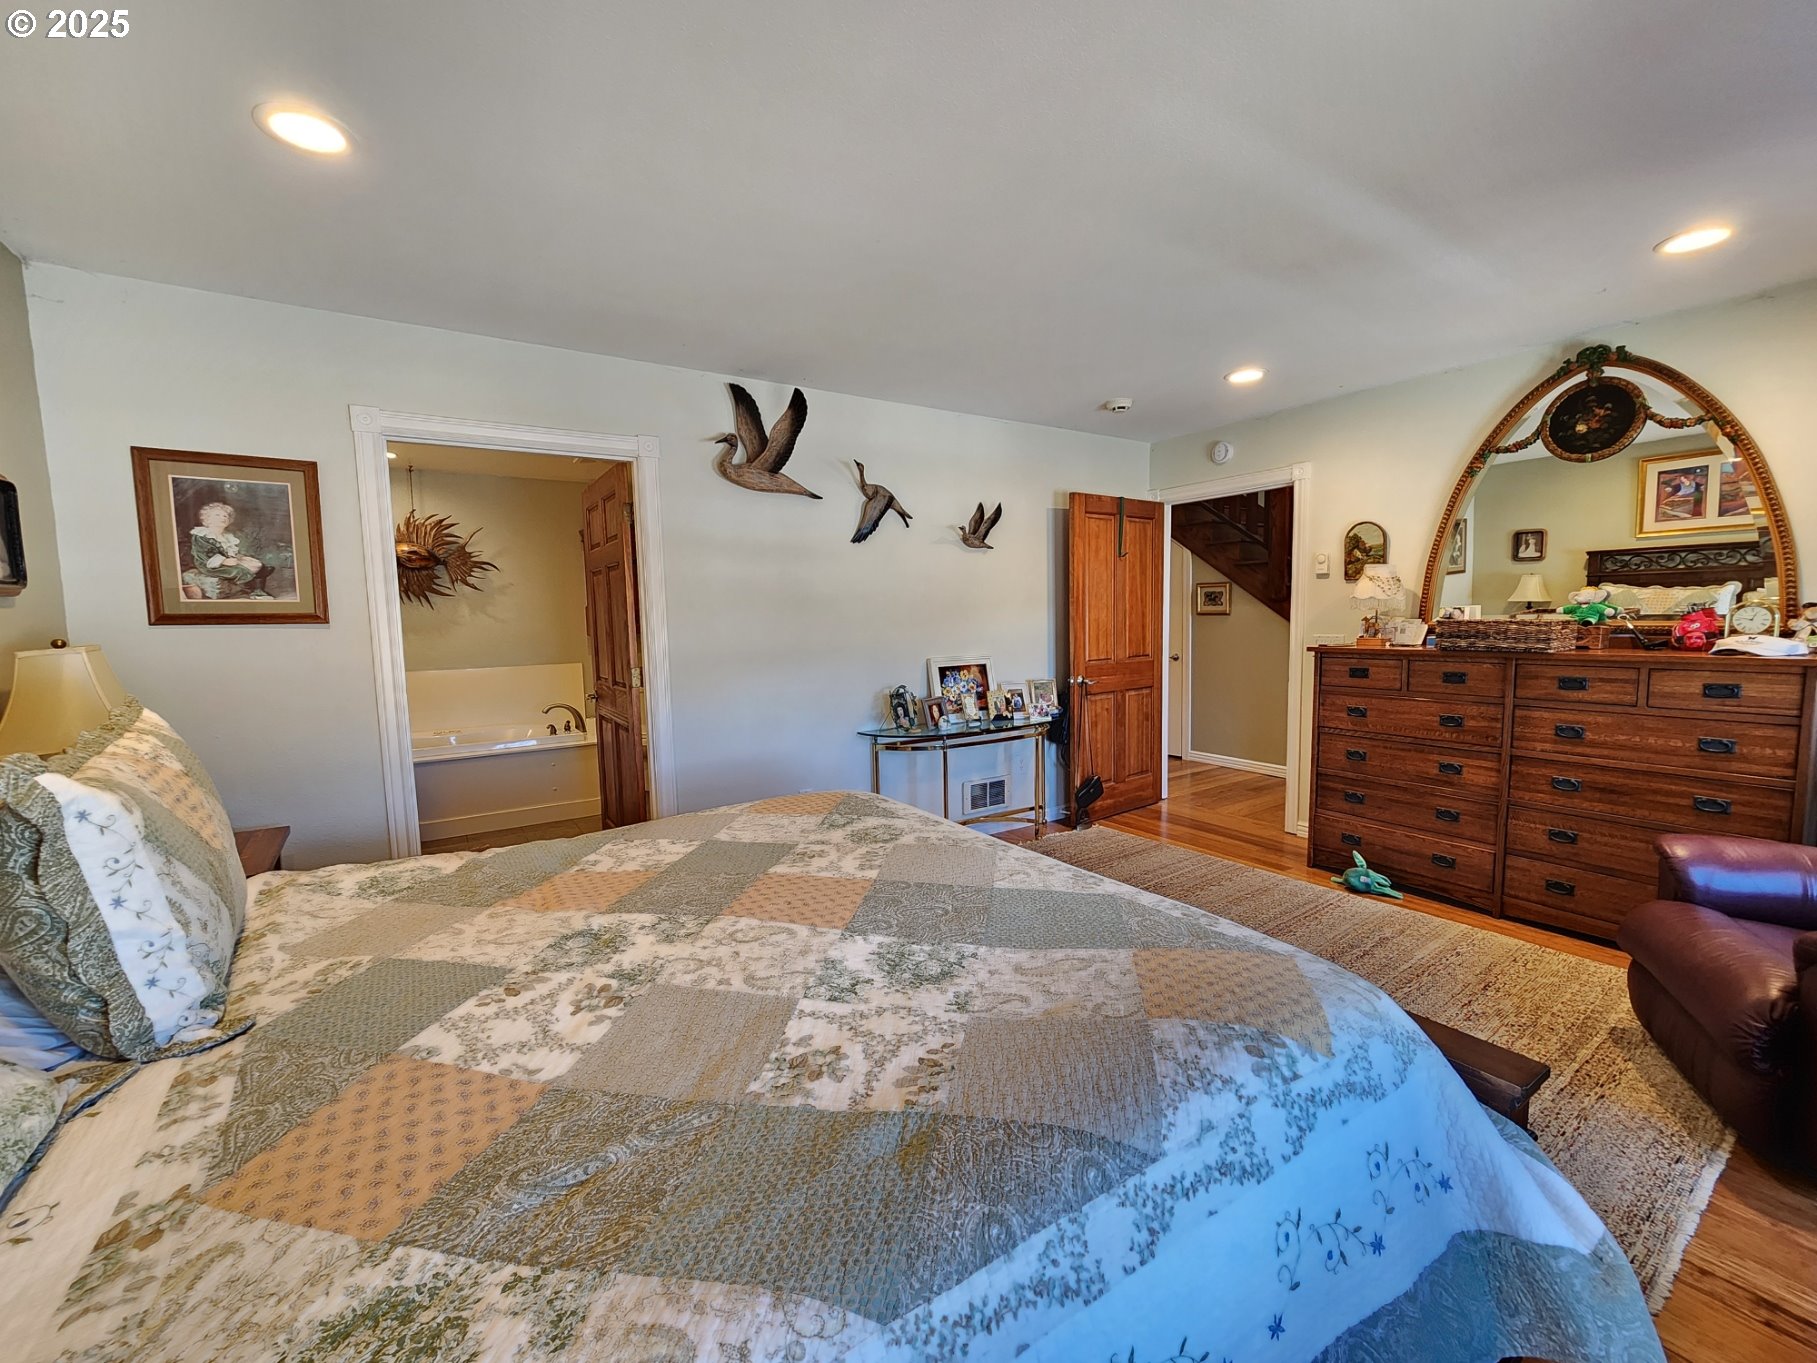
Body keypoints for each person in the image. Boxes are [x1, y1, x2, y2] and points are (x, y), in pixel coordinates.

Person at [183, 501, 274, 600]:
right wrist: (224, 561)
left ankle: (258, 590)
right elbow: (205, 555)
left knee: (258, 564)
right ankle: (250, 593)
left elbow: (229, 552)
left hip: (227, 561)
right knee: (240, 571)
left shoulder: (226, 536)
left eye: (225, 516)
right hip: (210, 564)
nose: (222, 518)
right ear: (207, 519)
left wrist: (240, 557)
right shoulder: (202, 535)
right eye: (217, 515)